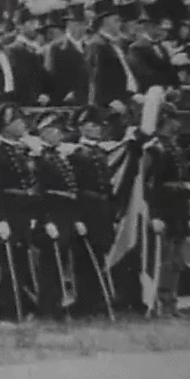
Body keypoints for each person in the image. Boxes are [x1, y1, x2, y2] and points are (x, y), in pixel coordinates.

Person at [0, 103, 38, 323]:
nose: (21, 124)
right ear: (4, 126)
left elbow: (28, 184)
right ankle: (4, 313)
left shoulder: (20, 150)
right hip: (6, 210)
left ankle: (22, 308)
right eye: (15, 121)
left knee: (20, 260)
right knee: (5, 264)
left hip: (22, 211)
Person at [34, 112, 85, 321]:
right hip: (51, 213)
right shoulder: (39, 158)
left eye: (59, 130)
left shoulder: (60, 157)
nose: (58, 134)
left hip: (65, 213)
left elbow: (71, 190)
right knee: (50, 263)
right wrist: (45, 220)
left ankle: (59, 305)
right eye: (53, 130)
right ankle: (48, 307)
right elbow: (38, 192)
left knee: (62, 260)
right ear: (43, 133)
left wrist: (76, 218)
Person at [70, 106, 117, 318]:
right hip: (86, 209)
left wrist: (112, 213)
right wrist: (77, 217)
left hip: (101, 210)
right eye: (91, 125)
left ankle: (98, 302)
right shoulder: (76, 154)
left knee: (99, 255)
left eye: (99, 126)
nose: (96, 129)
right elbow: (74, 188)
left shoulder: (101, 153)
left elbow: (107, 186)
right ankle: (84, 304)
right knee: (83, 259)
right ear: (81, 128)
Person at [145, 102, 190, 318]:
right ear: (165, 120)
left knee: (176, 259)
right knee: (164, 258)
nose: (177, 123)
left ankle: (172, 301)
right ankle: (161, 303)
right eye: (173, 119)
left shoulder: (174, 147)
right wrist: (154, 215)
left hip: (179, 207)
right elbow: (149, 184)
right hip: (164, 207)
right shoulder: (155, 148)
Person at [86, 0, 139, 108]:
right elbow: (96, 78)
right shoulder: (97, 45)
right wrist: (109, 100)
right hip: (110, 106)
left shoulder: (113, 44)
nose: (119, 24)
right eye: (116, 20)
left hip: (125, 99)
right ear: (105, 21)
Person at [127, 0, 180, 94]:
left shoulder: (162, 47)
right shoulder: (136, 48)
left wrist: (176, 87)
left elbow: (171, 71)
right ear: (148, 26)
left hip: (167, 94)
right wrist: (166, 88)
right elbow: (144, 75)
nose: (161, 28)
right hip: (149, 94)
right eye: (157, 24)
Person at [43, 2, 90, 106]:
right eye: (77, 24)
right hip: (65, 104)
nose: (81, 28)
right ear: (69, 25)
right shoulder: (56, 48)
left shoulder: (88, 47)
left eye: (83, 24)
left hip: (87, 102)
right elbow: (51, 77)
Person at [6, 7, 49, 106]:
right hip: (24, 105)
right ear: (20, 27)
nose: (35, 27)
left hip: (40, 103)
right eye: (31, 23)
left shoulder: (37, 48)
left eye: (36, 23)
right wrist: (35, 97)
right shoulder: (13, 50)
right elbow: (19, 80)